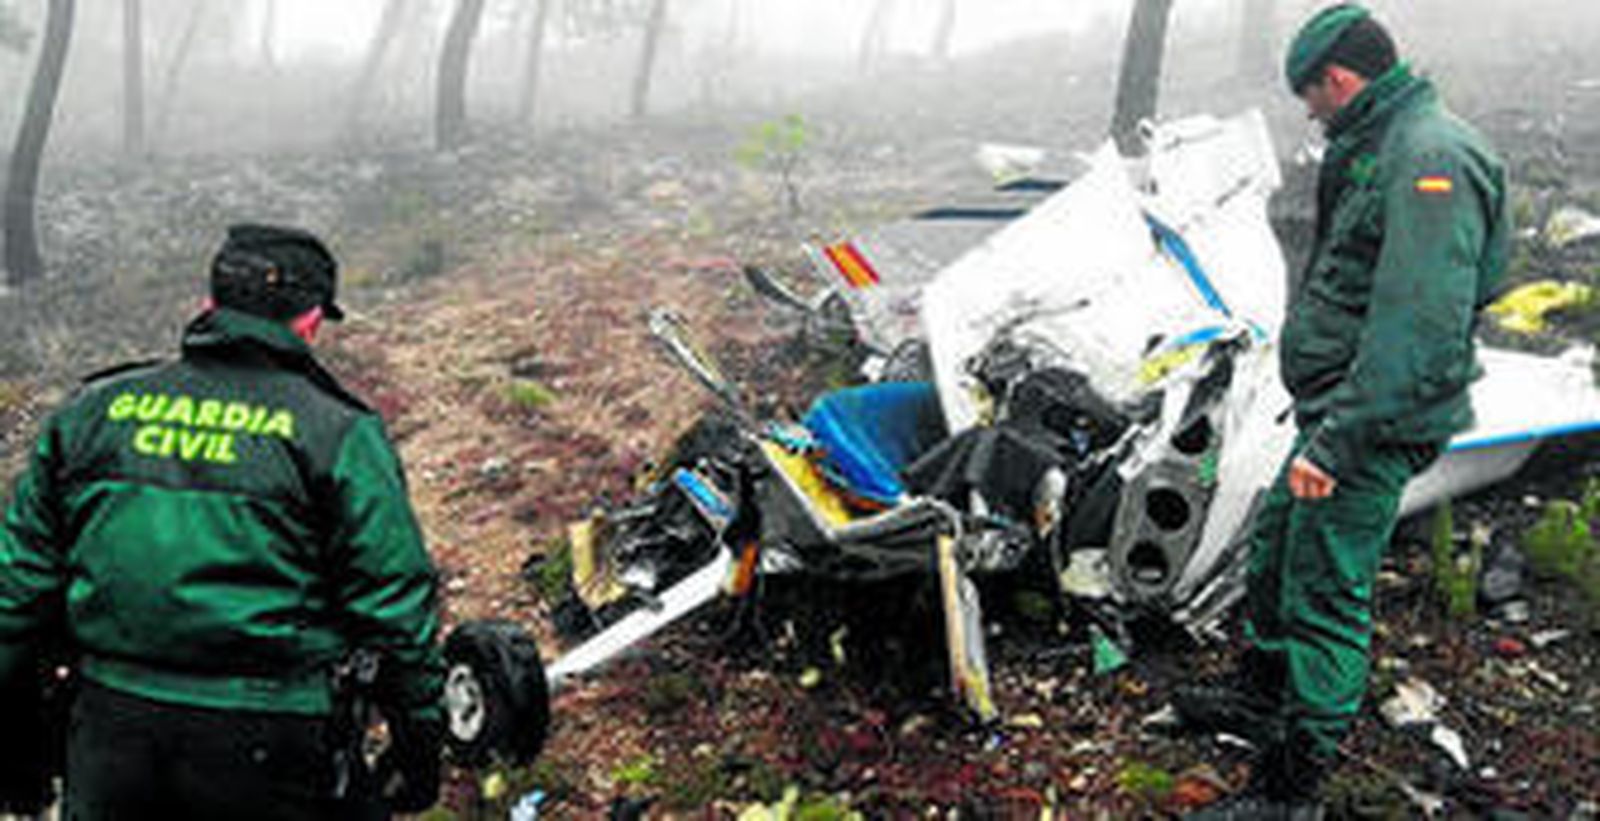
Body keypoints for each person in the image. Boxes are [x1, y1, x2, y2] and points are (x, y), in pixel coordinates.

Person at [1176, 5, 1509, 818]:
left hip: (1369, 421)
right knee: (1279, 547)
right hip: (1335, 409)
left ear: (1339, 79)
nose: (1309, 112)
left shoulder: (1429, 157)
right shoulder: (1382, 145)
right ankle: (1263, 699)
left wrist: (1343, 438)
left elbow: (1422, 327)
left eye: (1310, 95)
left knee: (1326, 583)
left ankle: (1295, 783)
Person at [0, 224, 445, 820]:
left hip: (111, 733)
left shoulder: (90, 411)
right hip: (273, 739)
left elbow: (16, 592)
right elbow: (394, 605)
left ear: (209, 304)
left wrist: (15, 735)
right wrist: (421, 742)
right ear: (311, 321)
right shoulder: (337, 431)